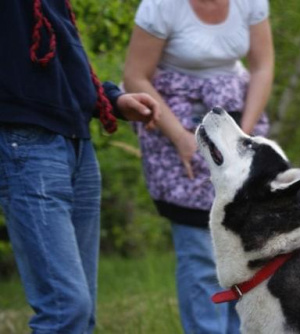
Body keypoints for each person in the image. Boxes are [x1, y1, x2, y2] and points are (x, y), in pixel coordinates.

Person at [0, 1, 161, 333]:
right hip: (26, 145)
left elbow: (65, 70)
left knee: (80, 315)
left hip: (76, 144)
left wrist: (113, 99)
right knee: (66, 309)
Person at [123, 0, 274, 332]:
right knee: (201, 254)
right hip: (177, 125)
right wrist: (181, 137)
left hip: (237, 121)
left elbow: (262, 66)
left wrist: (244, 137)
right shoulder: (161, 6)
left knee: (246, 250)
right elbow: (134, 75)